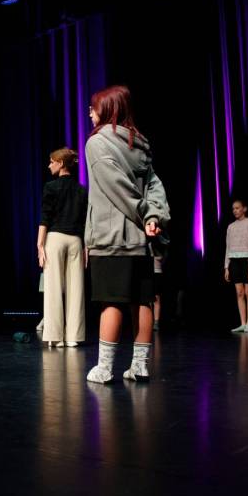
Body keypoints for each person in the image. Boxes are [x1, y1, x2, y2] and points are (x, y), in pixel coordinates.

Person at [83, 85, 170, 383]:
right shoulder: (139, 143)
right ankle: (140, 366)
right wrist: (153, 216)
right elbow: (155, 186)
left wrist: (146, 214)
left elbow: (117, 186)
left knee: (112, 299)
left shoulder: (97, 143)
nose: (90, 113)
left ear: (108, 108)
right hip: (141, 240)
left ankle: (105, 368)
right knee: (141, 300)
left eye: (94, 107)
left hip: (112, 237)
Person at [37, 147, 87, 347]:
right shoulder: (82, 190)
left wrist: (40, 244)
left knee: (53, 288)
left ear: (61, 163)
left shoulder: (51, 187)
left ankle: (55, 336)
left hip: (56, 238)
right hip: (76, 241)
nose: (49, 165)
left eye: (52, 161)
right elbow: (85, 222)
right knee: (76, 289)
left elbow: (45, 217)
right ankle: (74, 337)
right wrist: (86, 247)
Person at [224, 199, 248, 333]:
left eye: (237, 208)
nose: (235, 211)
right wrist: (226, 267)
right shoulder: (231, 227)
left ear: (244, 209)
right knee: (239, 292)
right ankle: (242, 323)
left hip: (246, 261)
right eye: (233, 208)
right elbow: (228, 247)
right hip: (234, 261)